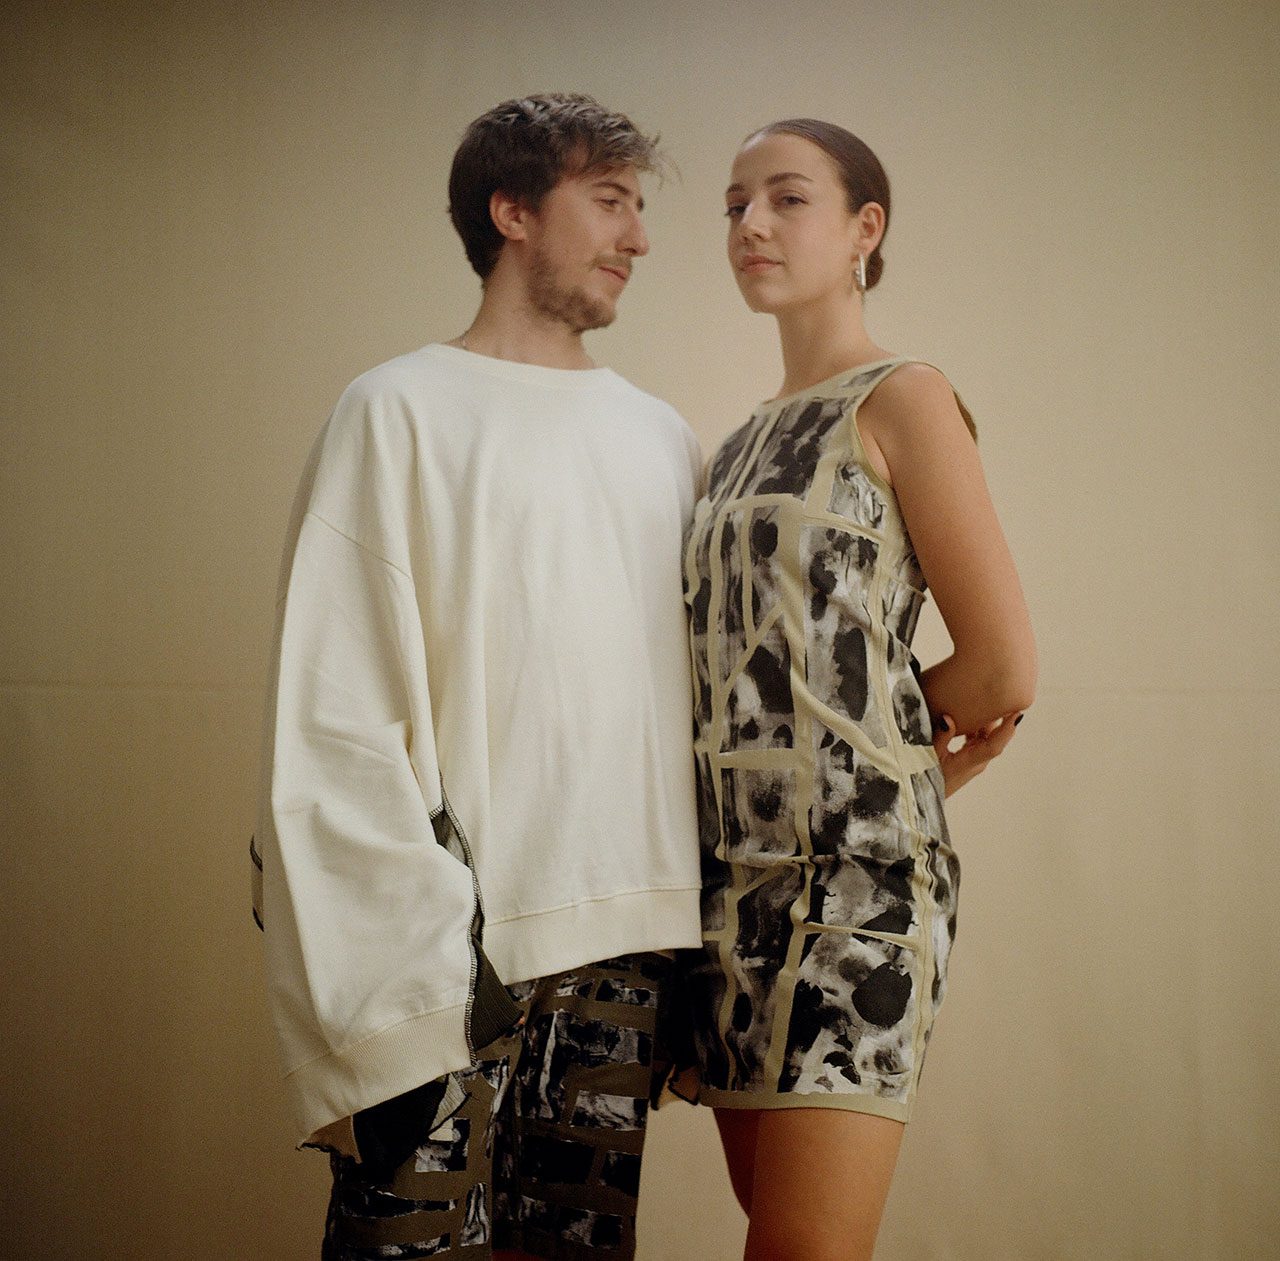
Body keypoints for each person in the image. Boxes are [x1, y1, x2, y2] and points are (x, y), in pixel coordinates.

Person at [251, 93, 705, 1260]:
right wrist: (410, 941)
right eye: (609, 201)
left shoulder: (661, 438)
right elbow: (332, 707)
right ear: (512, 211)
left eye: (638, 206)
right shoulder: (394, 411)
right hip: (444, 957)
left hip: (624, 947)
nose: (638, 237)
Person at [677, 119, 1038, 1260]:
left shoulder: (906, 395)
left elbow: (1001, 664)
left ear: (862, 229)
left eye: (787, 198)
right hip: (730, 896)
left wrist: (891, 766)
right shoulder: (731, 446)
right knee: (774, 1236)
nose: (751, 223)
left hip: (858, 890)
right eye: (734, 204)